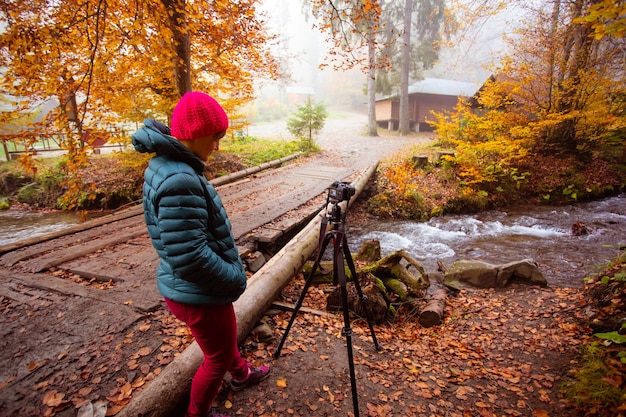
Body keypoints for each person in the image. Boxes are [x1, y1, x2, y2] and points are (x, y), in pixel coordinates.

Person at [132, 91, 270, 417]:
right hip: (197, 292)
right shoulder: (180, 178)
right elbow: (190, 256)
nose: (218, 146)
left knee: (224, 339)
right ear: (195, 133)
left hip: (187, 287)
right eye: (216, 137)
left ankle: (241, 375)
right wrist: (233, 278)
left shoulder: (169, 163)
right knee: (215, 358)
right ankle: (198, 414)